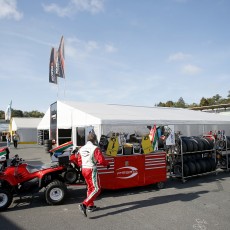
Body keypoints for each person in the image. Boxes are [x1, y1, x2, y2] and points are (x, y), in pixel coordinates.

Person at [77, 132, 110, 217]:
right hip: (91, 169)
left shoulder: (82, 148)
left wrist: (83, 165)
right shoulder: (95, 148)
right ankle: (84, 204)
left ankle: (90, 206)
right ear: (94, 139)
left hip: (84, 169)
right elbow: (101, 160)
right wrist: (107, 164)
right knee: (97, 188)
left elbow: (79, 160)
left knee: (90, 187)